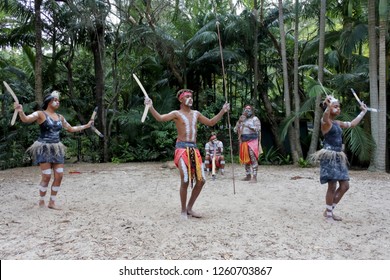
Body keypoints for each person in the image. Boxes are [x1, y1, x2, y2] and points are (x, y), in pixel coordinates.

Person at [144, 89, 230, 219]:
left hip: (194, 150)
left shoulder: (196, 114)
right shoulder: (176, 114)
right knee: (185, 179)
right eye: (187, 97)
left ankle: (190, 208)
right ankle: (183, 210)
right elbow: (160, 118)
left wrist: (223, 111)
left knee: (201, 180)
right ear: (181, 100)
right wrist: (150, 107)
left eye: (191, 96)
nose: (191, 98)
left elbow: (211, 122)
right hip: (181, 149)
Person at [14, 90, 94, 210]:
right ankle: (41, 201)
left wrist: (86, 126)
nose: (57, 102)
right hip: (44, 147)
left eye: (58, 101)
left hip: (57, 148)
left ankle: (52, 202)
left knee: (59, 175)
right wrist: (20, 111)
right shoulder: (40, 114)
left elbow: (71, 128)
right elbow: (26, 119)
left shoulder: (60, 117)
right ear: (48, 101)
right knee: (46, 176)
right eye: (55, 100)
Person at [311, 95, 367, 221]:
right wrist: (329, 106)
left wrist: (363, 112)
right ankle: (329, 215)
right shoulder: (325, 122)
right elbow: (325, 116)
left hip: (338, 156)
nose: (338, 109)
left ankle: (328, 211)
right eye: (336, 107)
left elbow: (352, 124)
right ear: (329, 108)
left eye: (339, 107)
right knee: (332, 186)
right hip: (329, 156)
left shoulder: (337, 123)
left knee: (345, 186)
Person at [234, 105, 262, 182]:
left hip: (252, 140)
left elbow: (258, 129)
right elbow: (235, 130)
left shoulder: (255, 119)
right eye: (246, 109)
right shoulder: (242, 119)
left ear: (252, 110)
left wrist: (248, 125)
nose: (247, 110)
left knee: (252, 157)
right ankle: (248, 175)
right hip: (243, 141)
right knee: (246, 159)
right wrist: (239, 122)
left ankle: (254, 177)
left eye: (249, 109)